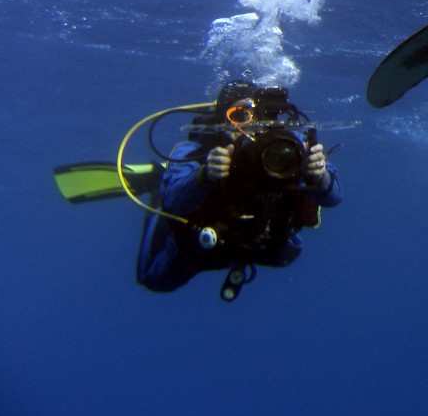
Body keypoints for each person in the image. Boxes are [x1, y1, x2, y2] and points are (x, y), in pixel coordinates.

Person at [135, 81, 342, 300]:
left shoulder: (292, 147)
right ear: (222, 119)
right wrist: (204, 176)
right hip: (204, 238)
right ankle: (157, 182)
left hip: (259, 240)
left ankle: (239, 255)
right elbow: (174, 202)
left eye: (259, 115)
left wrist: (320, 177)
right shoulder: (199, 152)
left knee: (285, 255)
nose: (252, 124)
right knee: (153, 278)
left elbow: (334, 197)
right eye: (240, 115)